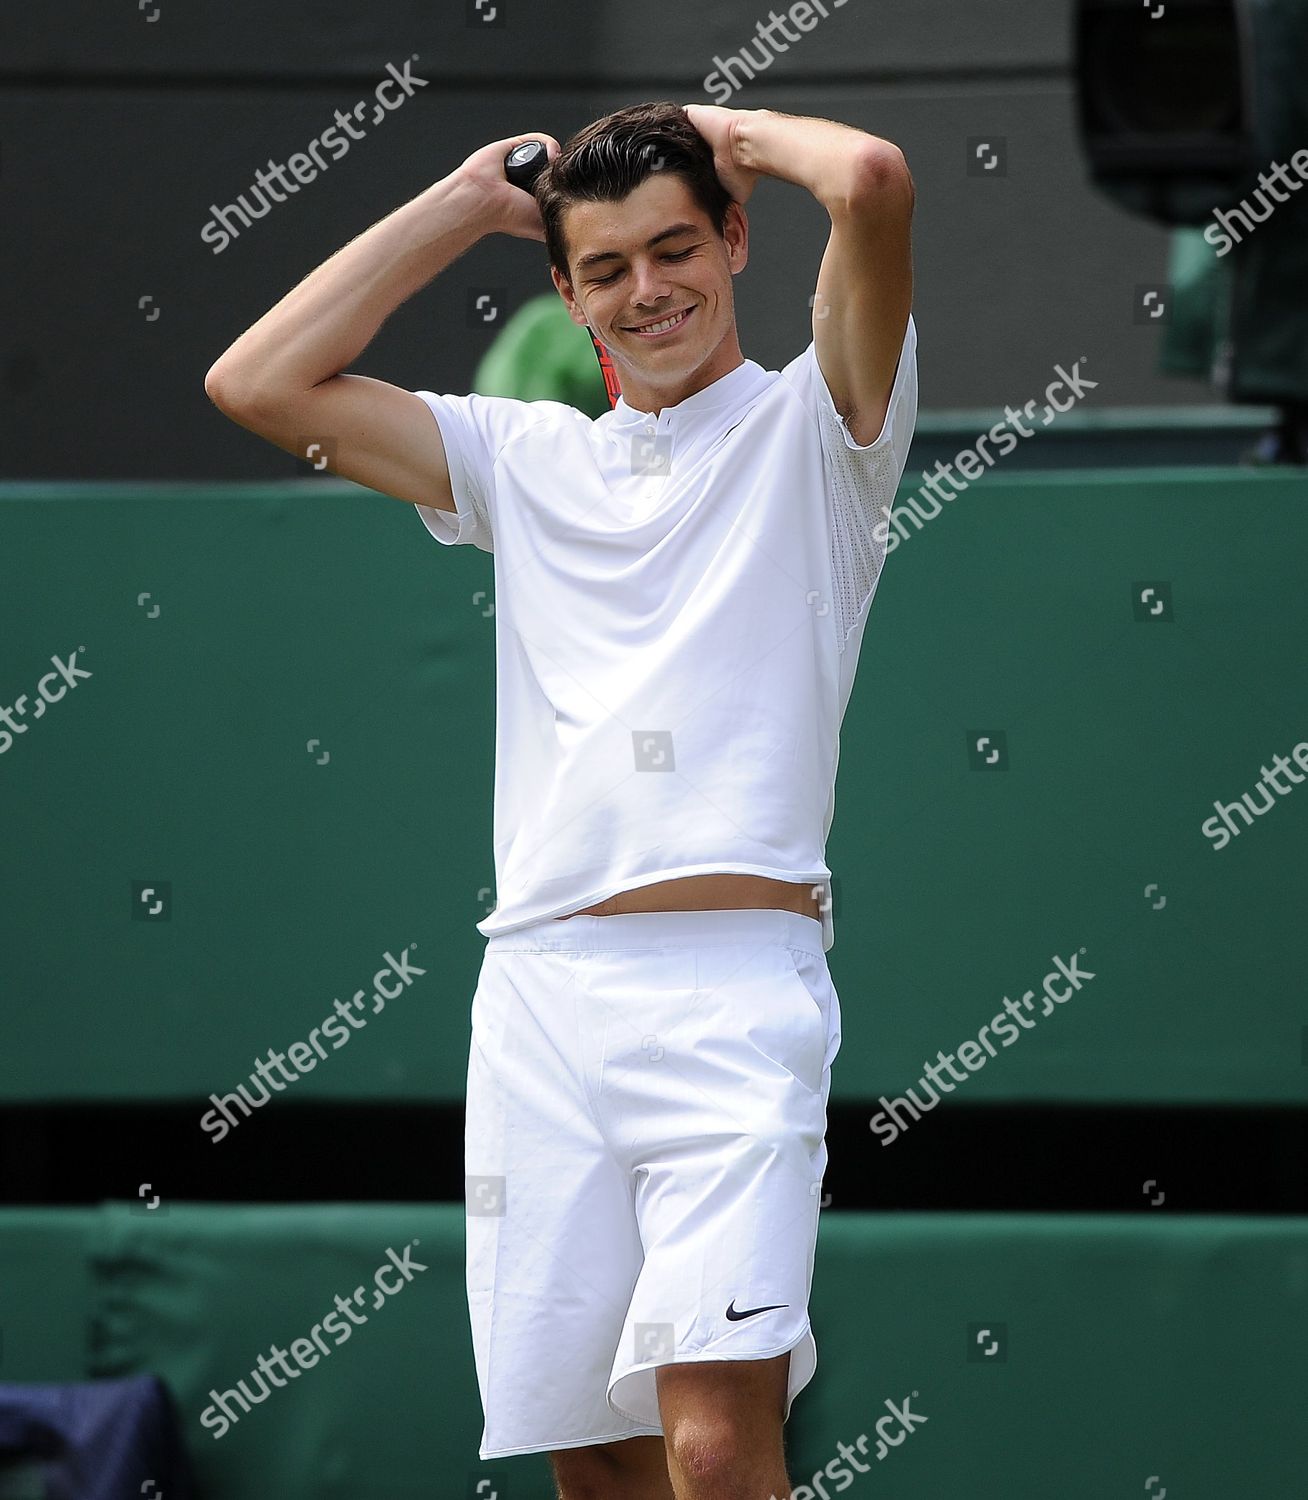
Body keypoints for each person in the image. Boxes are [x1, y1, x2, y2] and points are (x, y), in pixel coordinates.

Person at [204, 98, 916, 1500]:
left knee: (715, 1446)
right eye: (606, 268)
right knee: (596, 1466)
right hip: (538, 997)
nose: (649, 291)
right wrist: (468, 199)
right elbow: (257, 382)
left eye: (675, 249)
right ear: (565, 289)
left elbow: (876, 179)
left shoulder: (820, 425)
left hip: (733, 997)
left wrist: (711, 122)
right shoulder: (524, 459)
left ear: (734, 239)